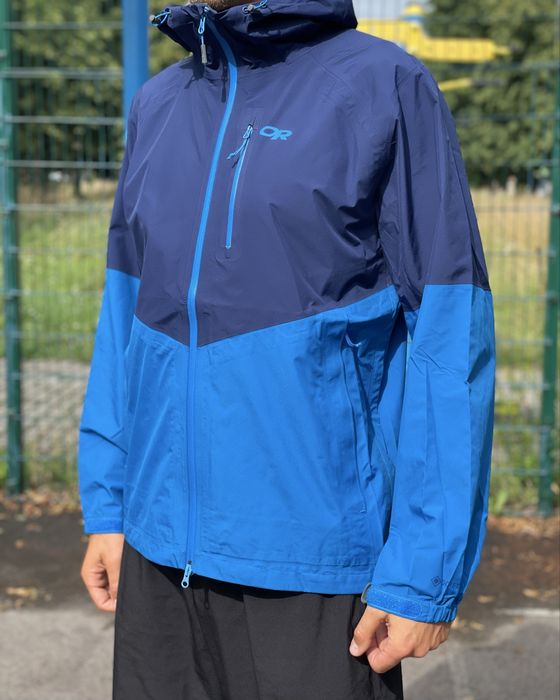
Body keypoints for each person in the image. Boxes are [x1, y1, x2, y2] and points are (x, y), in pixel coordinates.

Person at [77, 1, 496, 698]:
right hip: (156, 553)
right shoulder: (159, 103)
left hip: (313, 564)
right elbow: (125, 318)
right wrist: (111, 506)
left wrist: (426, 573)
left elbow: (451, 333)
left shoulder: (384, 85)